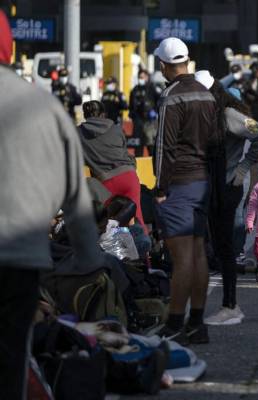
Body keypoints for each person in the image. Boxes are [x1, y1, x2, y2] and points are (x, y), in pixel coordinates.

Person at [0, 11, 101, 398]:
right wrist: (89, 257)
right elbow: (76, 193)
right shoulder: (44, 107)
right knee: (12, 357)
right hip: (23, 259)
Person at [152, 37, 217, 345]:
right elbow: (216, 142)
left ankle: (175, 321)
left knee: (182, 258)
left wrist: (160, 188)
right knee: (198, 252)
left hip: (179, 182)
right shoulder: (206, 95)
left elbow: (164, 147)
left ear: (164, 65)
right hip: (204, 181)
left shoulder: (171, 97)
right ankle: (197, 322)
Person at [194, 70, 258, 325]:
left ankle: (230, 304)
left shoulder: (228, 115)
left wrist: (244, 166)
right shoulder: (207, 115)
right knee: (215, 247)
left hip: (227, 186)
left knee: (225, 248)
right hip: (211, 186)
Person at [78, 100, 146, 230]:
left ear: (85, 115)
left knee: (111, 225)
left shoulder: (78, 133)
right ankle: (144, 248)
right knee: (136, 219)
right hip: (129, 177)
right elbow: (124, 152)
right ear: (103, 114)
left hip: (106, 182)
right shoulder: (116, 128)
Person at [129, 69, 161, 156]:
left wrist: (155, 111)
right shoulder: (134, 90)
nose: (141, 79)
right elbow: (131, 107)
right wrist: (133, 116)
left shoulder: (152, 88)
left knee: (151, 146)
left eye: (142, 77)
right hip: (138, 122)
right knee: (138, 147)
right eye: (139, 77)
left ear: (147, 77)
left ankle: (153, 167)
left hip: (150, 122)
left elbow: (160, 101)